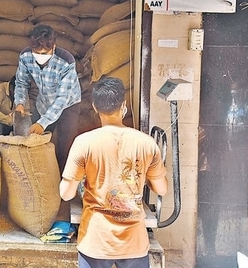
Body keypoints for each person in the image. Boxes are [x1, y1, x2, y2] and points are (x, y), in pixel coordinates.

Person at [59, 77, 168, 268]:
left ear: (94, 107)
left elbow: (66, 193)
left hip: (96, 241)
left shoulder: (83, 143)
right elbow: (162, 189)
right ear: (123, 106)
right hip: (134, 242)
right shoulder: (147, 143)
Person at [14, 24, 81, 172]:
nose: (40, 58)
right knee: (34, 142)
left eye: (45, 54)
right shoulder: (26, 57)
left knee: (65, 149)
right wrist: (19, 102)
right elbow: (21, 82)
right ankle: (41, 178)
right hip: (43, 103)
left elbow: (62, 99)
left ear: (54, 46)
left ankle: (63, 189)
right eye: (37, 53)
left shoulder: (66, 61)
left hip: (67, 106)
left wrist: (42, 123)